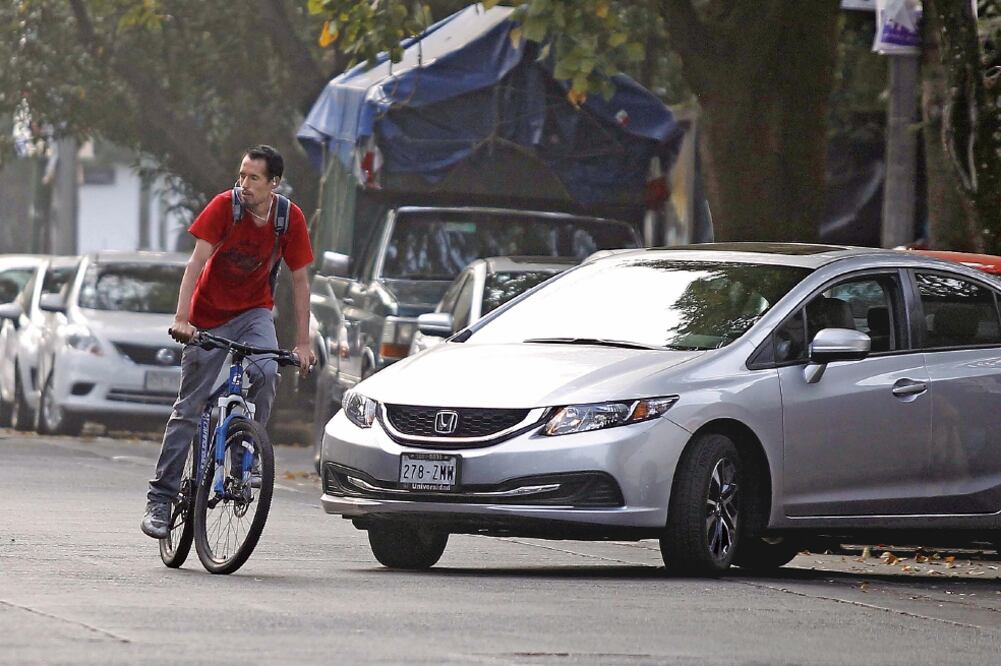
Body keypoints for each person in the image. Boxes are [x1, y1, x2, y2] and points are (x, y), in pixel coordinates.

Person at [141, 145, 316, 539]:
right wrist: (183, 319)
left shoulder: (288, 219)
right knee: (189, 409)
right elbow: (196, 263)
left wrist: (302, 343)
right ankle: (161, 500)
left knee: (268, 371)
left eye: (254, 178)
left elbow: (301, 280)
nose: (244, 184)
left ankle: (242, 459)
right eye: (241, 175)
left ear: (274, 183)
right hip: (207, 317)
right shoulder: (225, 207)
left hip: (254, 312)